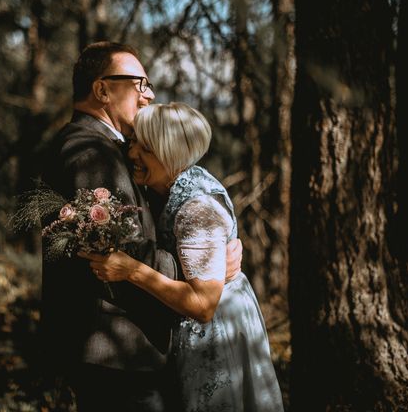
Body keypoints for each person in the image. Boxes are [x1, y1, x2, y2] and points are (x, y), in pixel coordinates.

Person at [40, 42, 243, 412]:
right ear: (103, 90)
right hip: (116, 354)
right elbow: (122, 251)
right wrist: (204, 269)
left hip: (121, 352)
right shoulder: (90, 152)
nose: (148, 95)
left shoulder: (104, 148)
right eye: (140, 84)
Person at [80, 103, 284, 411]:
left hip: (216, 336)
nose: (132, 153)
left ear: (170, 152)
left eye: (144, 148)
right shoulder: (167, 188)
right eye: (133, 142)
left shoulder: (197, 209)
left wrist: (131, 270)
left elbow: (202, 306)